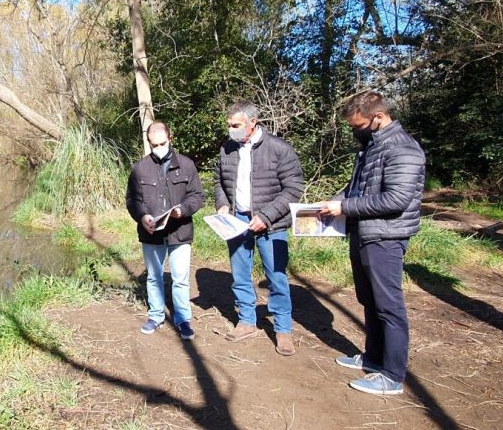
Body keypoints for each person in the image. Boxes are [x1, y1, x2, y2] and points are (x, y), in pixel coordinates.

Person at [319, 90, 425, 396]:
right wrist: (335, 202)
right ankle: (374, 358)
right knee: (370, 301)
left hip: (386, 237)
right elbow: (356, 190)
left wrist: (345, 208)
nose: (355, 131)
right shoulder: (371, 148)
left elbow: (396, 199)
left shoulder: (403, 149)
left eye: (358, 125)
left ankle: (392, 375)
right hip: (364, 233)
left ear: (378, 117)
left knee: (389, 306)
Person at [214, 101, 304, 356]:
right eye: (229, 125)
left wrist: (266, 216)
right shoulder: (227, 148)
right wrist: (222, 205)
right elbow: (219, 180)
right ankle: (247, 321)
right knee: (240, 273)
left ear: (252, 123)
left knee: (276, 275)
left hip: (271, 223)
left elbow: (294, 189)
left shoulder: (279, 149)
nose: (231, 130)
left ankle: (283, 329)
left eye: (236, 125)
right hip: (236, 221)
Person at [126, 121, 204, 340]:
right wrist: (142, 217)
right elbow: (132, 200)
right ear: (148, 143)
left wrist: (183, 210)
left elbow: (197, 196)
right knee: (153, 277)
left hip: (180, 230)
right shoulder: (140, 168)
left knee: (180, 278)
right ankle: (156, 316)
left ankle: (183, 319)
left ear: (171, 139)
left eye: (162, 143)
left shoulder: (187, 165)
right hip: (151, 233)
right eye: (154, 144)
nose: (158, 147)